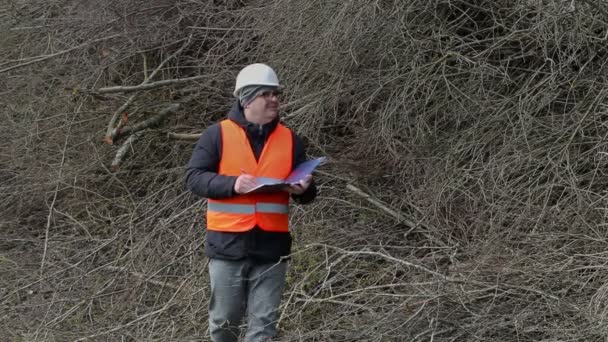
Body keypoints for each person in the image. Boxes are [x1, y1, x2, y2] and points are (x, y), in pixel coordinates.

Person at [185, 63, 317, 342]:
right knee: (224, 323)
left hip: (272, 247)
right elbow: (194, 178)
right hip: (227, 246)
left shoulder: (291, 140)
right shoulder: (216, 134)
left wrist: (303, 188)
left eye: (275, 93)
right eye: (266, 94)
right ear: (246, 99)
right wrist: (231, 184)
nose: (274, 99)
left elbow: (307, 192)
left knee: (264, 325)